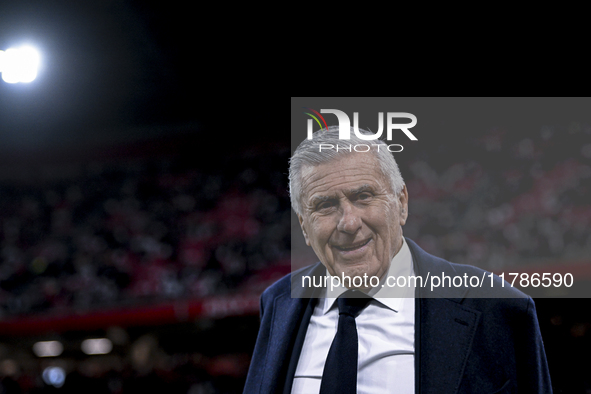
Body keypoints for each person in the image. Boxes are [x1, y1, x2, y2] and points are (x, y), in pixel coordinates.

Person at [243, 126, 552, 393]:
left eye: (363, 196)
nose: (348, 222)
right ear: (304, 227)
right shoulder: (278, 303)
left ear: (401, 203)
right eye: (324, 205)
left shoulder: (497, 307)